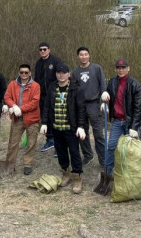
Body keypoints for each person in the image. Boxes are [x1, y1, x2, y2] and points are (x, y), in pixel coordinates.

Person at [99, 58, 141, 196]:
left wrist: (135, 126)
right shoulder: (112, 81)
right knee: (111, 147)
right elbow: (109, 95)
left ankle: (130, 180)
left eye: (123, 67)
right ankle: (108, 175)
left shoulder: (135, 85)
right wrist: (105, 101)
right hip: (118, 122)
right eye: (118, 68)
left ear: (128, 68)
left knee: (129, 153)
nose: (121, 70)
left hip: (131, 123)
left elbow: (138, 108)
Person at [41, 63, 87, 193]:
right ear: (56, 74)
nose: (61, 75)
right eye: (59, 73)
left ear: (69, 74)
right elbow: (47, 106)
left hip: (71, 129)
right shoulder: (52, 88)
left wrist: (81, 126)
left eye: (64, 73)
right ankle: (65, 172)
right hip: (56, 127)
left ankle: (77, 177)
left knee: (74, 152)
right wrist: (44, 122)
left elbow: (81, 109)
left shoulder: (76, 89)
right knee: (61, 152)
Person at [71, 47, 107, 168]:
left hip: (94, 104)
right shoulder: (75, 72)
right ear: (78, 57)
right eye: (81, 55)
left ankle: (103, 159)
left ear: (89, 56)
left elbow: (103, 84)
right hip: (80, 106)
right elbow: (73, 90)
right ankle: (88, 155)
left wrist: (103, 100)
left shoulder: (97, 68)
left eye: (86, 54)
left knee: (98, 134)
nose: (84, 56)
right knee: (82, 133)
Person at [3, 64, 41, 176]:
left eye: (26, 72)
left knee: (31, 143)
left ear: (30, 73)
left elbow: (34, 102)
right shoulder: (12, 84)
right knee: (13, 143)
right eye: (21, 72)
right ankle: (10, 165)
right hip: (17, 119)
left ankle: (28, 164)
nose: (24, 74)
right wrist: (13, 106)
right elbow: (7, 97)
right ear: (19, 73)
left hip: (32, 119)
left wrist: (20, 108)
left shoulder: (35, 86)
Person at [34, 41, 63, 152]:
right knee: (45, 117)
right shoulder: (38, 63)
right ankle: (50, 139)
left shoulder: (55, 61)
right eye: (40, 49)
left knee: (57, 117)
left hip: (55, 93)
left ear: (49, 50)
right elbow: (36, 80)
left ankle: (59, 143)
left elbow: (61, 76)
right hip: (42, 95)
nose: (42, 51)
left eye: (44, 49)